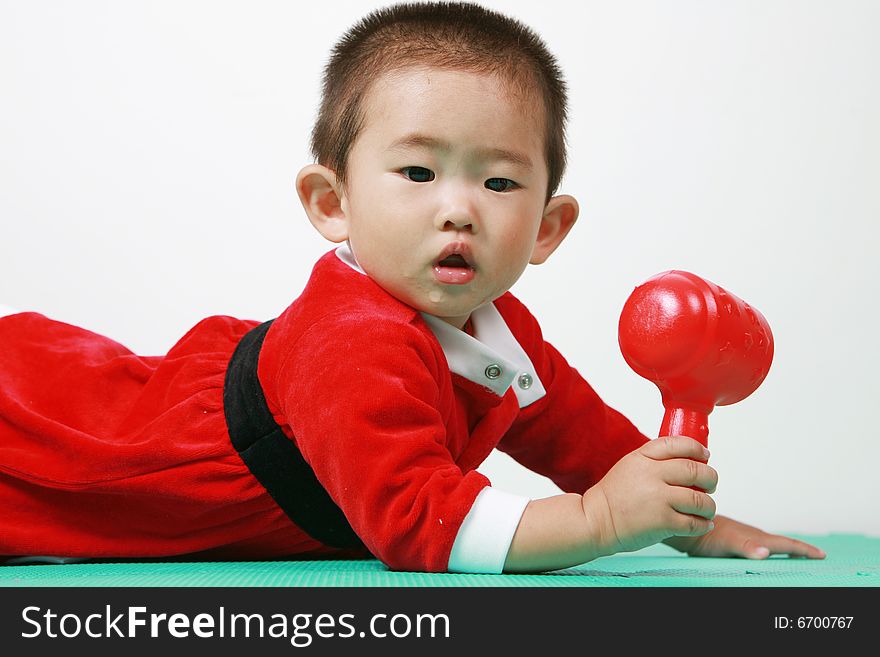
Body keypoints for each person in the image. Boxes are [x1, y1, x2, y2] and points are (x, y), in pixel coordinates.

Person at [0, 1, 824, 573]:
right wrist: (604, 521)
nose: (458, 208)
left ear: (547, 227)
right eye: (419, 171)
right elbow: (420, 523)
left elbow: (577, 437)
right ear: (333, 203)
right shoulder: (350, 340)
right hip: (107, 455)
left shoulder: (497, 327)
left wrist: (695, 525)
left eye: (499, 183)